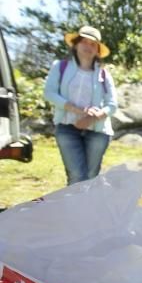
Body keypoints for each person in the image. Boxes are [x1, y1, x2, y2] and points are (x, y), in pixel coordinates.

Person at [43, 25, 117, 184]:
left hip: (97, 131)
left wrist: (93, 117)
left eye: (92, 44)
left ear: (97, 50)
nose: (88, 46)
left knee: (91, 177)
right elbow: (49, 93)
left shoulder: (104, 74)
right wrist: (75, 109)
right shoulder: (60, 67)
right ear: (75, 44)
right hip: (67, 127)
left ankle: (88, 208)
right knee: (76, 176)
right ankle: (74, 209)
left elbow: (112, 105)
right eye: (84, 41)